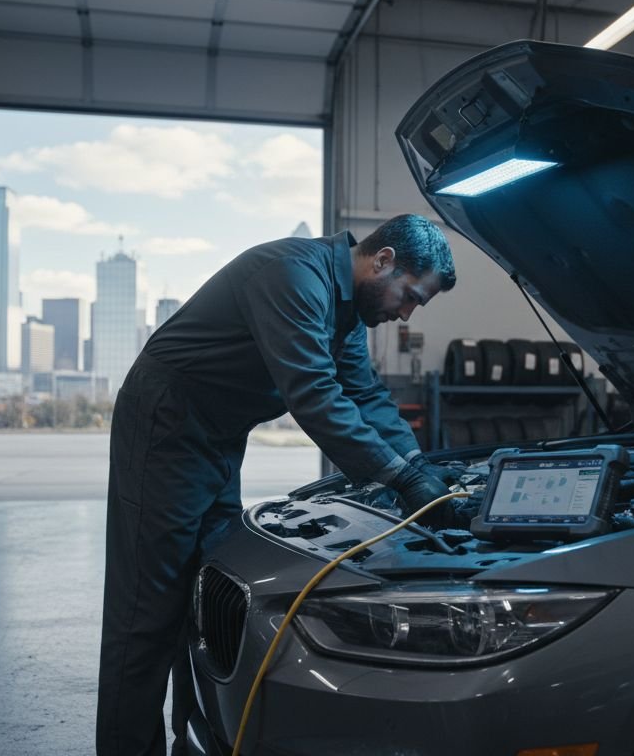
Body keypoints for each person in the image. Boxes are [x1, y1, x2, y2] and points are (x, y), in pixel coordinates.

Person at [96, 213, 458, 756]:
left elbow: (364, 395)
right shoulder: (293, 275)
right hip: (167, 425)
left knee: (203, 596)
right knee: (147, 609)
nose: (406, 313)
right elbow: (313, 393)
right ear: (382, 261)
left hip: (217, 434)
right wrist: (400, 477)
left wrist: (423, 468)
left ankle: (192, 739)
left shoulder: (346, 314)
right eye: (411, 296)